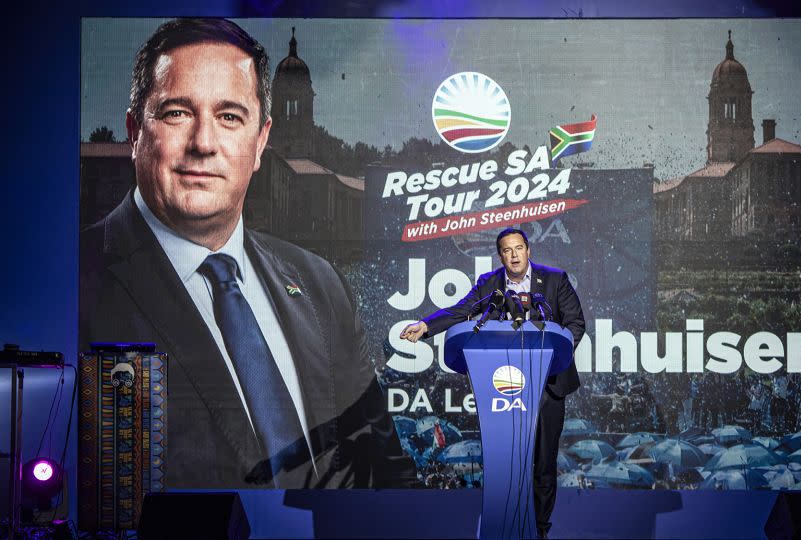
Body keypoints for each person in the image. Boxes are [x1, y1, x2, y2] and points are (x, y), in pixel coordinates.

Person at [79, 18, 415, 489]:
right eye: (176, 113)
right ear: (134, 131)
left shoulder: (321, 283)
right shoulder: (73, 283)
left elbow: (385, 467)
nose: (204, 144)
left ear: (260, 142)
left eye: (230, 117)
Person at [400, 227, 585, 538]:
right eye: (507, 251)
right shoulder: (490, 284)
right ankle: (502, 525)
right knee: (507, 463)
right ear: (500, 255)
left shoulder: (555, 280)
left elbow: (575, 324)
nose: (513, 255)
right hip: (502, 385)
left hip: (548, 384)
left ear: (529, 250)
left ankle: (539, 530)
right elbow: (461, 311)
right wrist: (426, 325)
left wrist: (555, 354)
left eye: (518, 248)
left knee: (542, 462)